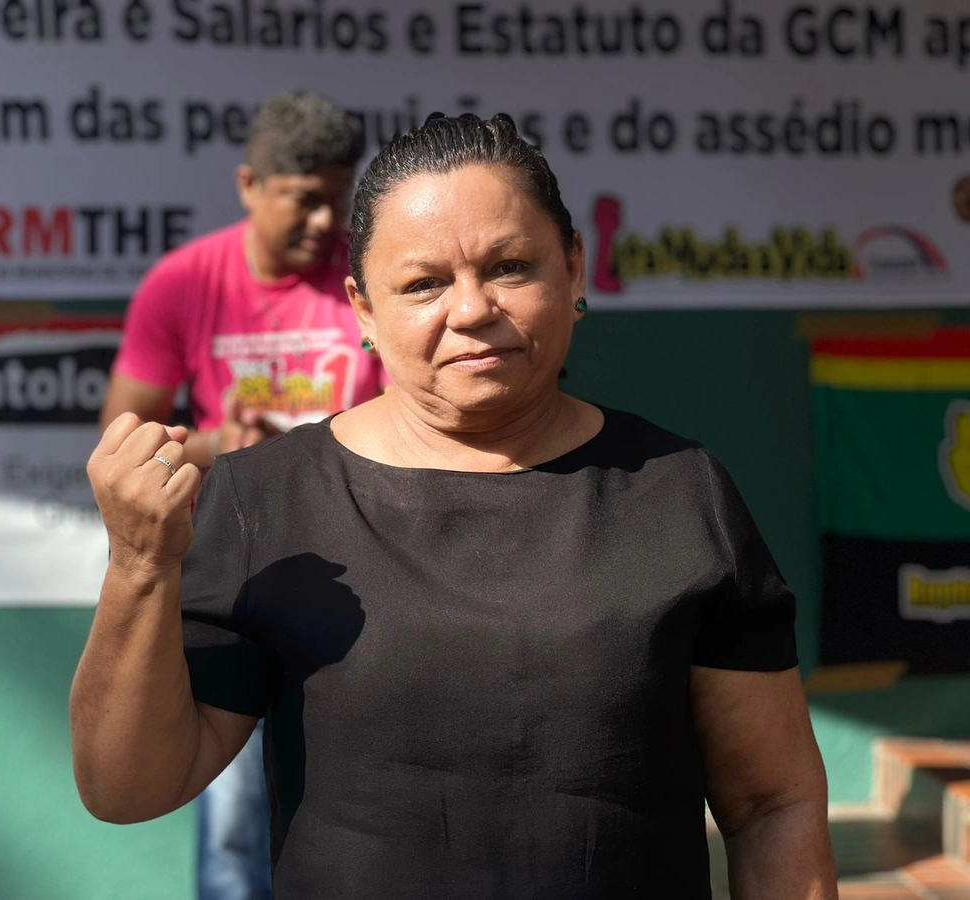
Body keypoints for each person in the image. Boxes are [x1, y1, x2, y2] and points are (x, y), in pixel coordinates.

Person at [72, 113, 838, 898]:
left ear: (574, 271)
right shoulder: (265, 500)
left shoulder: (681, 492)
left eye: (509, 267)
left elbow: (771, 802)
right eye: (423, 283)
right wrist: (138, 565)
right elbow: (126, 790)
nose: (471, 309)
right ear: (364, 309)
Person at [95, 91, 381, 900]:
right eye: (305, 200)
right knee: (232, 828)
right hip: (239, 576)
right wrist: (225, 444)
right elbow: (122, 435)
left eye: (338, 199)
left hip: (369, 565)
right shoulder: (184, 281)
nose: (327, 224)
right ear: (250, 183)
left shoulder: (371, 279)